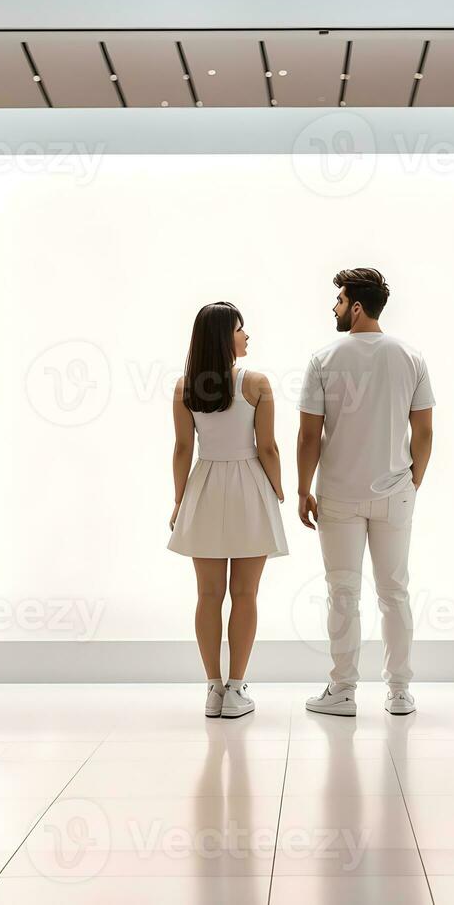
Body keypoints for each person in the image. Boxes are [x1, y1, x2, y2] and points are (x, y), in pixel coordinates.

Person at [298, 268, 434, 718]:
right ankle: (398, 692)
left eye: (338, 300)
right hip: (395, 493)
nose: (334, 308)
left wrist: (302, 488)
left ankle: (343, 690)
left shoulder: (323, 358)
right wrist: (412, 482)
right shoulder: (411, 357)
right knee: (395, 592)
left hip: (338, 495)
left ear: (356, 306)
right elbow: (425, 431)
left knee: (343, 592)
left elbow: (308, 436)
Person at [168, 302, 287, 719]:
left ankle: (213, 689)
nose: (247, 335)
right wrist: (279, 488)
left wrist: (180, 500)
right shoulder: (256, 383)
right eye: (241, 329)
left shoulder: (185, 387)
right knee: (245, 594)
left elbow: (183, 449)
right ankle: (237, 689)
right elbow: (268, 447)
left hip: (204, 486)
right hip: (249, 487)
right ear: (225, 337)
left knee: (207, 595)